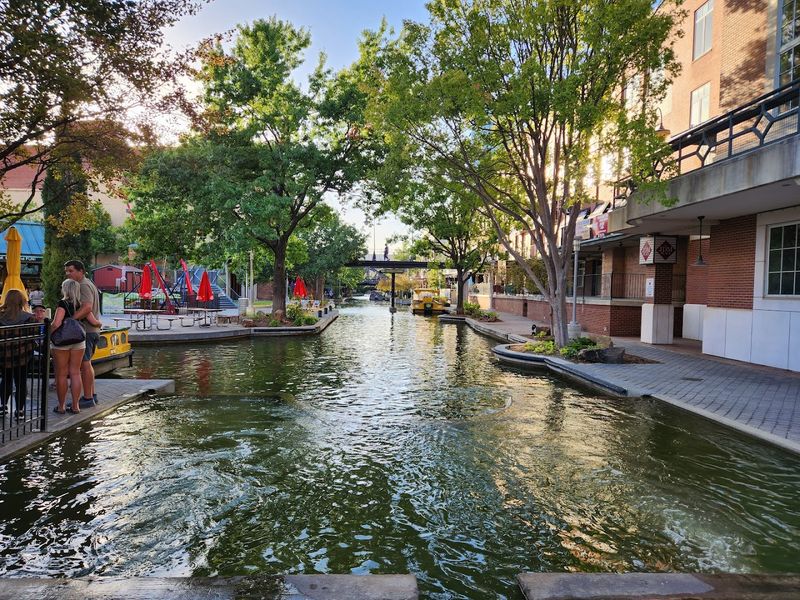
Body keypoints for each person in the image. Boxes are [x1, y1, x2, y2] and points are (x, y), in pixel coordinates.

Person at [51, 279, 100, 414]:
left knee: (62, 374)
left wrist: (48, 334)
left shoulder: (62, 303)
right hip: (79, 341)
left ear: (65, 289)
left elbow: (56, 323)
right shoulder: (81, 304)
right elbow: (93, 321)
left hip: (62, 342)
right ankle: (75, 406)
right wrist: (100, 325)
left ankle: (61, 407)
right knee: (76, 372)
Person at [64, 260, 101, 406]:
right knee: (87, 364)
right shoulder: (88, 283)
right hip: (91, 330)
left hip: (86, 331)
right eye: (66, 271)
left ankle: (87, 398)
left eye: (71, 271)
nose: (68, 274)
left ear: (81, 271)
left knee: (85, 365)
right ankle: (92, 395)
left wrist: (70, 320)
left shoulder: (83, 285)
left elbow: (87, 308)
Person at [0, 289, 36, 419]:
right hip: (23, 355)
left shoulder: (1, 317)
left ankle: (3, 406)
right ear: (21, 301)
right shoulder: (29, 318)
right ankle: (19, 410)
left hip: (4, 356)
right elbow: (34, 336)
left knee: (6, 379)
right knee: (21, 382)